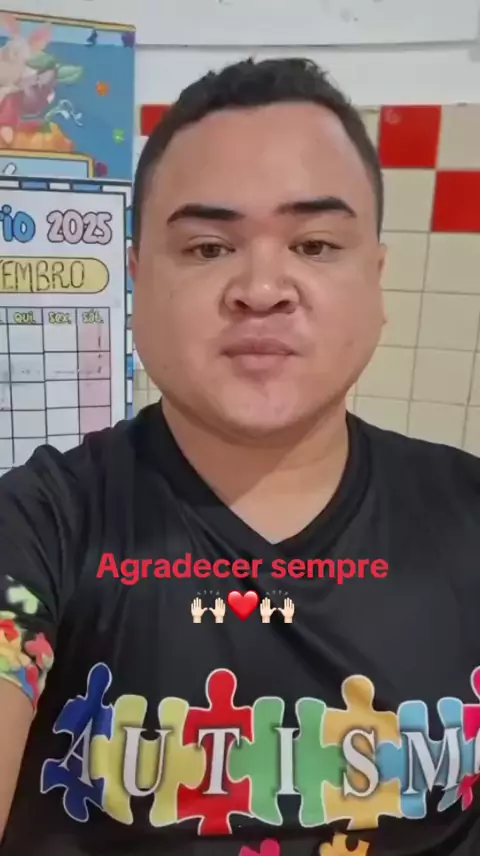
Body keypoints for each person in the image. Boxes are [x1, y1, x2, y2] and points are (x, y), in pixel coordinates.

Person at [0, 56, 479, 856]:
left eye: (315, 244)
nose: (261, 288)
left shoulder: (468, 517)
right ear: (137, 279)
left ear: (376, 280)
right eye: (208, 248)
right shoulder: (39, 527)